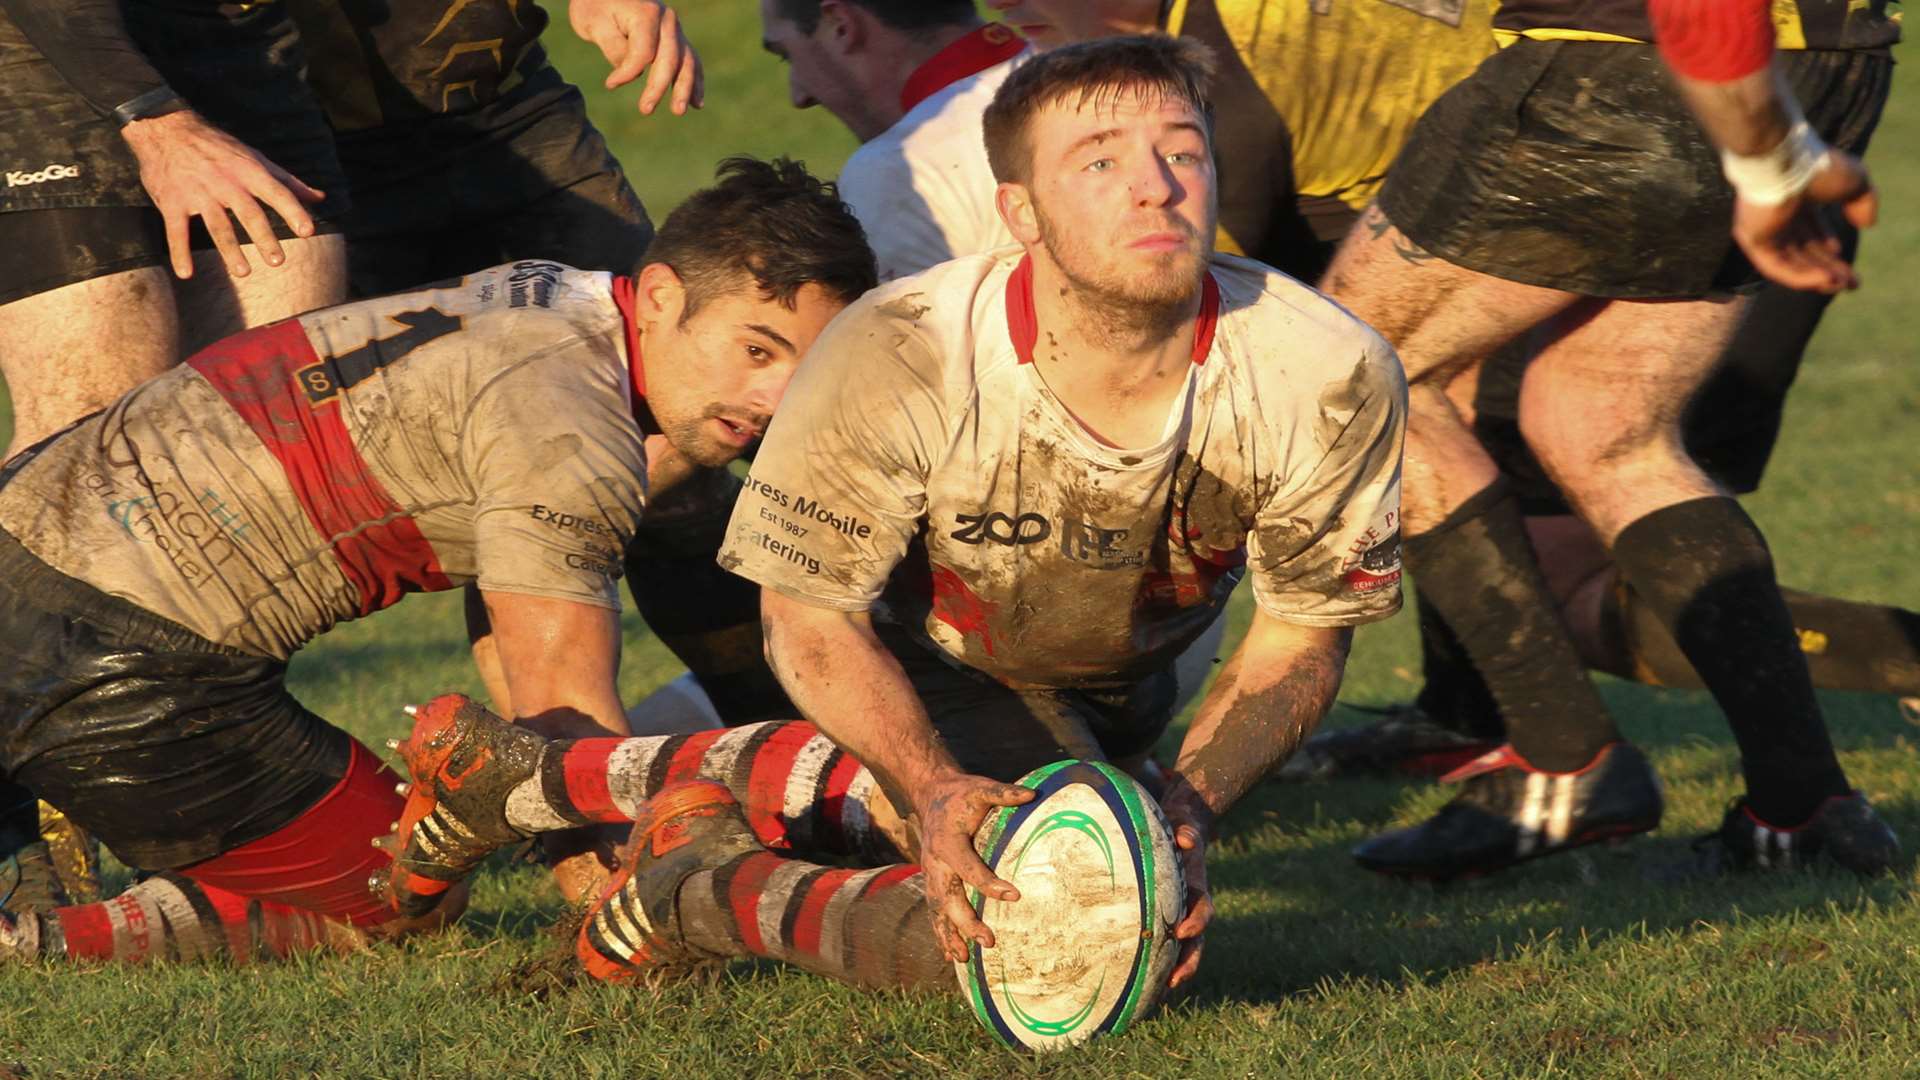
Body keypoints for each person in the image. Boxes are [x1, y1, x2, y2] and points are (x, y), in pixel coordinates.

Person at [378, 36, 1405, 993]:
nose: (1155, 185)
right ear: (1020, 214)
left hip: (1142, 678)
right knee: (1051, 949)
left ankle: (544, 792)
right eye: (1099, 161)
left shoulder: (1326, 369)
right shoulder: (906, 346)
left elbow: (1301, 641)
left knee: (1115, 871)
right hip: (930, 665)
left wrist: (1189, 809)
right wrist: (932, 785)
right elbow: (806, 618)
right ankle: (677, 892)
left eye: (1183, 151)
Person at [0, 158, 876, 963]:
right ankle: (36, 945)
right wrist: (615, 899)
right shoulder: (570, 426)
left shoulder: (556, 298)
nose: (779, 398)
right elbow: (563, 724)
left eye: (810, 364)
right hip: (109, 654)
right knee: (406, 889)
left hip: (31, 536)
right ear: (657, 298)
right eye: (757, 349)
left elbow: (515, 621)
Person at [1316, 0, 1899, 878]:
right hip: (1826, 64)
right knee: (1603, 424)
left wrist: (1769, 160)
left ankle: (1563, 758)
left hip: (1639, 62)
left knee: (1356, 376)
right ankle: (1802, 806)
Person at [761, 0, 1029, 283]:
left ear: (840, 24)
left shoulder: (893, 171)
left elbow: (918, 328)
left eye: (787, 56)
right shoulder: (1073, 71)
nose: (799, 96)